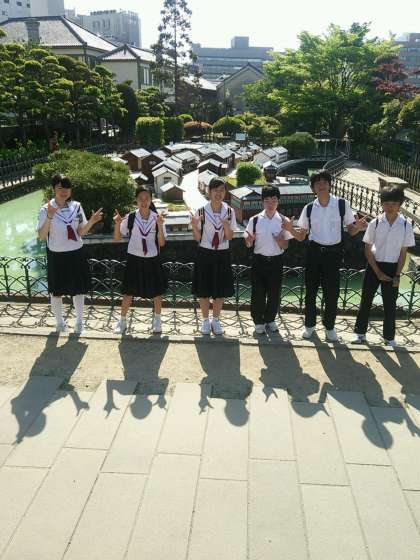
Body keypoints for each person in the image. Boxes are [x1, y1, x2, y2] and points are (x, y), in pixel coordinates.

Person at [283, 171, 367, 341]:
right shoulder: (309, 208)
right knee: (311, 292)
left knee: (332, 293)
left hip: (333, 254)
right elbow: (302, 236)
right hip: (314, 253)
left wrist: (358, 227)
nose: (321, 185)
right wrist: (290, 229)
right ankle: (309, 326)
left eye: (324, 182)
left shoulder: (342, 204)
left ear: (330, 184)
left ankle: (329, 327)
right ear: (313, 188)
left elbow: (351, 230)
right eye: (317, 183)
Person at [37, 174, 103, 333]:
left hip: (76, 253)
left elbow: (80, 232)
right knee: (57, 291)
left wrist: (92, 221)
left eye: (67, 188)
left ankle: (79, 322)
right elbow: (41, 236)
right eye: (60, 187)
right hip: (56, 255)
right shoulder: (46, 209)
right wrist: (49, 216)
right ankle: (60, 323)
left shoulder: (77, 207)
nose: (64, 191)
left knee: (78, 289)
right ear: (53, 189)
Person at [353, 186, 415, 347]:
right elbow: (367, 248)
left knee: (390, 304)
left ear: (400, 204)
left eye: (394, 203)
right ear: (382, 204)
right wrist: (377, 271)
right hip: (374, 265)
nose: (390, 207)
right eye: (386, 203)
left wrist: (397, 274)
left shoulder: (405, 226)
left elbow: (403, 253)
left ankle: (389, 337)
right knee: (366, 300)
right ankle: (360, 333)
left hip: (393, 268)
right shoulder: (375, 223)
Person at [113, 185, 167, 334]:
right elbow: (117, 239)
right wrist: (117, 224)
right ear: (136, 200)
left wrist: (160, 225)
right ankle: (122, 321)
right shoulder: (131, 217)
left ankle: (157, 320)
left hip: (152, 258)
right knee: (128, 292)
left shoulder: (157, 218)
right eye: (140, 199)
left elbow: (162, 243)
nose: (143, 201)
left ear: (151, 200)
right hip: (134, 258)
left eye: (146, 198)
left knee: (157, 292)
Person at [244, 185, 293, 334]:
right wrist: (249, 240)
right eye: (267, 200)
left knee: (274, 293)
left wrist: (280, 240)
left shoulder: (284, 221)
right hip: (259, 260)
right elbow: (248, 243)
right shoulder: (254, 220)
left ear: (278, 201)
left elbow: (286, 246)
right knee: (258, 293)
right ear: (262, 202)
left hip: (276, 261)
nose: (270, 203)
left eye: (274, 200)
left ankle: (270, 319)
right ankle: (258, 321)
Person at [191, 177, 236, 335]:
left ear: (225, 192)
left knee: (220, 290)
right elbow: (197, 238)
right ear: (209, 192)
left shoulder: (229, 212)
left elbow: (230, 237)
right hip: (204, 253)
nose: (219, 193)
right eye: (215, 190)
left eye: (222, 190)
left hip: (222, 253)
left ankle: (215, 320)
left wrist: (226, 226)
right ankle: (205, 320)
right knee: (203, 290)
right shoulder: (201, 212)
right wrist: (194, 226)